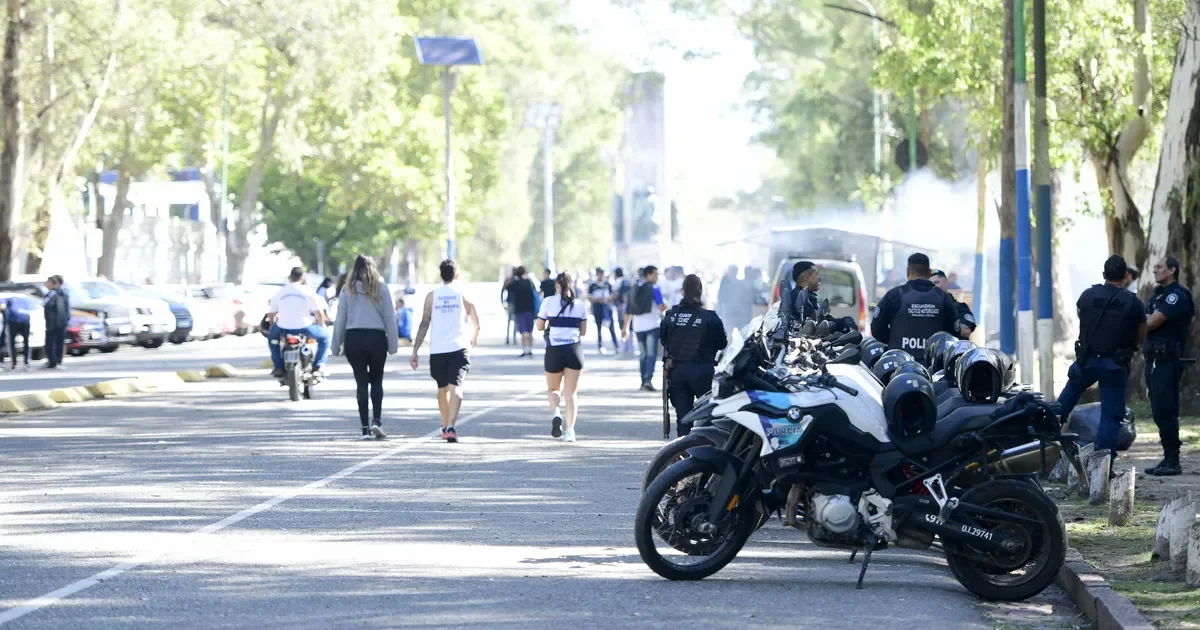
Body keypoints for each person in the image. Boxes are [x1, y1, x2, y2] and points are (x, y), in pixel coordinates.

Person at [1057, 255, 1147, 460]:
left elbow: (1082, 315)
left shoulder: (1087, 295)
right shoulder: (1132, 303)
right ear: (1125, 276)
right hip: (1114, 364)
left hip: (1086, 360)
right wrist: (1132, 345)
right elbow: (1142, 330)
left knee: (1062, 405)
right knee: (1111, 415)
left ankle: (1042, 445)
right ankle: (1102, 465)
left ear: (1104, 274)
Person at [410, 259, 480, 443]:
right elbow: (475, 318)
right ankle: (450, 426)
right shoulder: (462, 294)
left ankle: (446, 425)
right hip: (459, 347)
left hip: (438, 349)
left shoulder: (432, 296)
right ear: (456, 275)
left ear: (441, 275)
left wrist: (415, 350)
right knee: (456, 387)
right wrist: (474, 336)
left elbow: (424, 322)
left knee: (442, 389)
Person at [331, 256, 399, 440]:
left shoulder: (348, 289)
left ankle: (364, 428)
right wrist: (393, 344)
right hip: (376, 337)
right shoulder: (381, 287)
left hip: (354, 338)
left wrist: (335, 346)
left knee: (361, 383)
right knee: (377, 381)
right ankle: (377, 421)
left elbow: (340, 319)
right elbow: (389, 318)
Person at [1143, 256, 1194, 476]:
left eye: (1159, 267)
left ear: (1172, 269)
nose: (1155, 271)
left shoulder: (1176, 296)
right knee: (1158, 410)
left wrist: (1137, 321)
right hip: (1153, 359)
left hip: (1168, 360)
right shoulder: (1158, 296)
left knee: (1166, 409)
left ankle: (1173, 460)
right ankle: (1167, 458)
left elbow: (1152, 322)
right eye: (1154, 267)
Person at [661, 274, 727, 437]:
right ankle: (703, 453)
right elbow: (722, 344)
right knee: (708, 416)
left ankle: (682, 454)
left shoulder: (671, 316)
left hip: (677, 372)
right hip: (703, 371)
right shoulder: (710, 318)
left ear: (683, 292)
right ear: (700, 292)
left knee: (683, 417)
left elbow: (664, 341)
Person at [871, 254, 965, 354]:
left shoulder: (894, 295)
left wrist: (895, 341)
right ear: (929, 272)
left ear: (907, 271)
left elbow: (877, 329)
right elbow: (954, 332)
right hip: (932, 363)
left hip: (899, 361)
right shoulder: (943, 298)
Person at [536, 271, 588, 442]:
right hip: (573, 350)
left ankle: (556, 413)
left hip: (554, 350)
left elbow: (539, 326)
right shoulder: (580, 305)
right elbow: (583, 331)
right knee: (571, 393)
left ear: (557, 285)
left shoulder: (548, 302)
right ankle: (570, 431)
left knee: (553, 389)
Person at [267, 267, 330, 379]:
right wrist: (321, 326)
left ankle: (278, 367)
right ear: (302, 277)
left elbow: (271, 313)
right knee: (324, 338)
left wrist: (272, 326)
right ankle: (318, 365)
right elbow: (319, 312)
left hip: (283, 327)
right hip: (305, 326)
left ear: (290, 277)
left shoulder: (281, 291)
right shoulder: (306, 291)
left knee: (272, 340)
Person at [623, 265, 667, 391]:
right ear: (648, 275)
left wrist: (625, 327)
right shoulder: (655, 288)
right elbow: (661, 307)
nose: (657, 277)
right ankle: (648, 379)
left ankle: (643, 380)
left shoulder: (635, 288)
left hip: (638, 327)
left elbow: (628, 309)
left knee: (643, 354)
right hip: (652, 326)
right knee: (651, 354)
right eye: (655, 274)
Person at [931, 269, 977, 338]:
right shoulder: (926, 307)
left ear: (946, 283)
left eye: (937, 282)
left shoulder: (960, 307)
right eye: (930, 284)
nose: (934, 286)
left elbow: (966, 330)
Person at [505, 266, 538, 357]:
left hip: (520, 310)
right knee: (530, 330)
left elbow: (506, 287)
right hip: (530, 309)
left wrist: (512, 276)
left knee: (523, 331)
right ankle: (530, 349)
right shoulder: (529, 282)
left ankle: (525, 349)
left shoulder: (515, 283)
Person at [588, 268, 619, 353]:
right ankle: (600, 346)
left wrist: (608, 298)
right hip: (597, 308)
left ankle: (616, 346)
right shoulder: (593, 285)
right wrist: (599, 300)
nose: (600, 275)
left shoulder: (607, 284)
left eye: (602, 274)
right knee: (598, 328)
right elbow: (590, 297)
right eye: (599, 274)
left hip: (607, 308)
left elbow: (613, 295)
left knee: (611, 327)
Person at [43, 276, 70, 370]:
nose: (46, 284)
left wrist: (66, 320)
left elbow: (61, 308)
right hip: (56, 322)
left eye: (48, 282)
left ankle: (55, 361)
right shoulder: (54, 294)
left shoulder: (56, 294)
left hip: (56, 322)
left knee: (55, 342)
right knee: (53, 343)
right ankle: (53, 361)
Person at [4, 294, 34, 370]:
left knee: (12, 343)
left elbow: (3, 307)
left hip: (13, 322)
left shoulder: (7, 298)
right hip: (25, 321)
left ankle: (14, 363)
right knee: (26, 342)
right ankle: (26, 362)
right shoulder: (24, 299)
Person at [613, 267, 634, 355]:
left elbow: (616, 294)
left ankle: (624, 345)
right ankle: (630, 347)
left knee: (623, 325)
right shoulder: (628, 281)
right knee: (630, 325)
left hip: (622, 307)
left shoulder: (618, 282)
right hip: (630, 306)